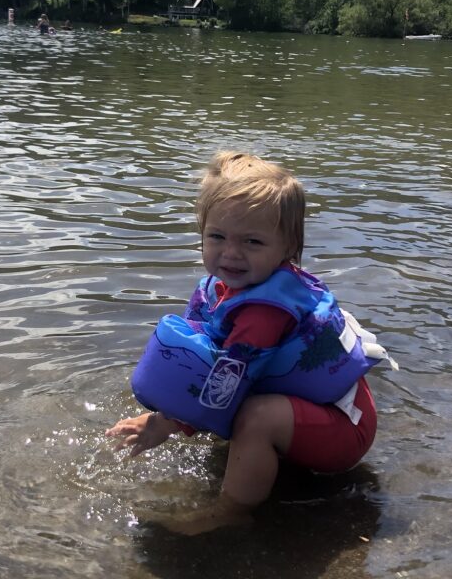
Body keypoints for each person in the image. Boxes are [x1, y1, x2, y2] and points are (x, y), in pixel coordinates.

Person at [106, 152, 395, 535]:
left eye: (252, 241)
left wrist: (164, 424)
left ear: (288, 247)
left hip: (343, 432)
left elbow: (227, 384)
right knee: (246, 409)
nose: (231, 253)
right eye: (218, 236)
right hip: (318, 414)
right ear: (201, 232)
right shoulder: (227, 289)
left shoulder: (265, 312)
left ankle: (232, 511)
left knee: (255, 418)